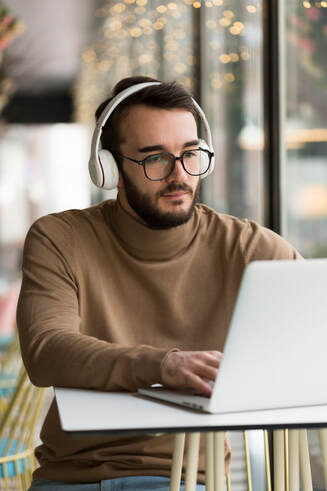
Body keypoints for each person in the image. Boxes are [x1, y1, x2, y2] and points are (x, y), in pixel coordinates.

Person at [17, 75, 301, 491]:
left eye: (190, 154)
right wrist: (164, 365)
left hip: (190, 479)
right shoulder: (60, 238)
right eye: (154, 159)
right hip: (75, 479)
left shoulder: (248, 246)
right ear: (108, 168)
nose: (179, 175)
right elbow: (46, 350)